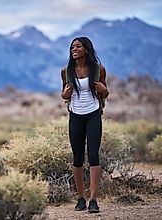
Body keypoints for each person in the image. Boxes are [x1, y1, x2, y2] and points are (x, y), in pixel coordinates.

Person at [60, 37, 109, 213]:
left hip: (93, 115)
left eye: (78, 46)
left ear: (86, 50)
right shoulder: (66, 71)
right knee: (78, 157)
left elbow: (105, 91)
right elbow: (64, 95)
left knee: (94, 155)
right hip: (75, 116)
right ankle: (80, 198)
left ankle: (93, 200)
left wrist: (104, 90)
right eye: (72, 47)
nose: (74, 49)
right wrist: (65, 94)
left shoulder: (98, 69)